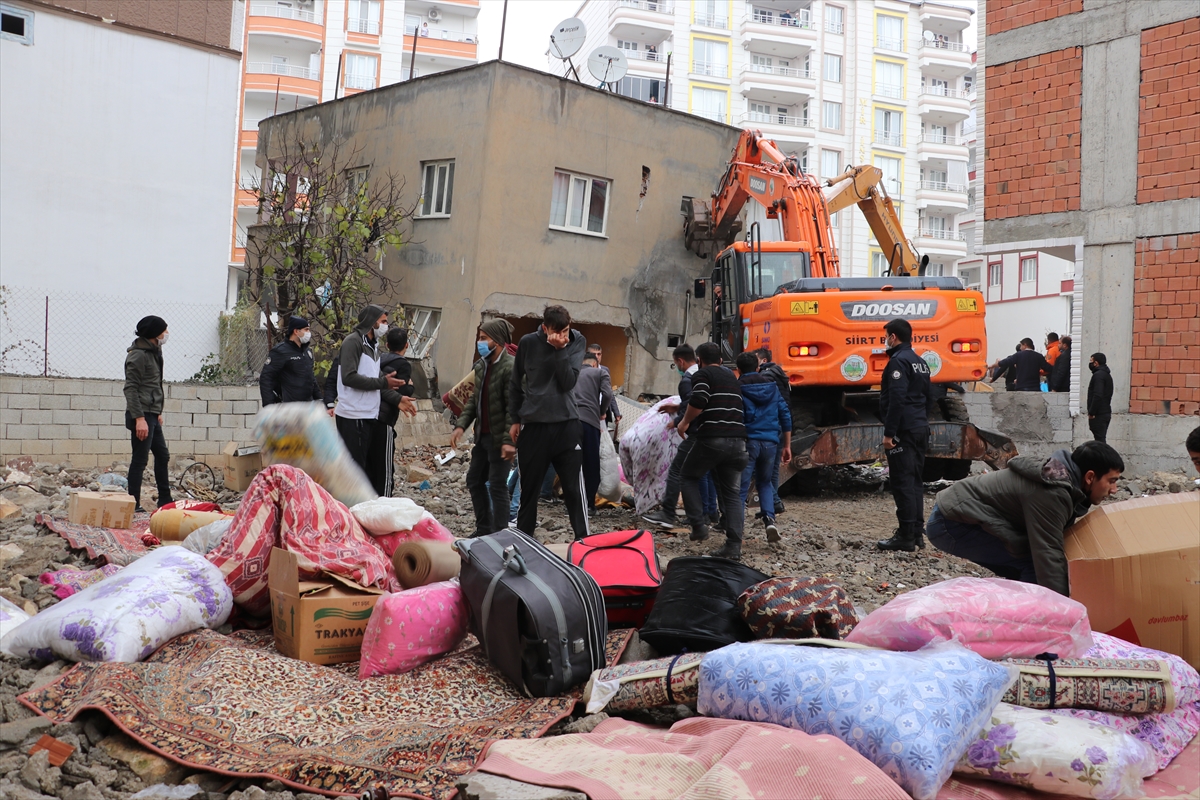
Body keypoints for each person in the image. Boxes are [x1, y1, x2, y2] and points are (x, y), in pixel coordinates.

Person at [926, 441, 1124, 596]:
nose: (1114, 490)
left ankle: (1017, 627)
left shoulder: (1065, 484)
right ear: (1090, 477)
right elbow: (1048, 554)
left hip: (960, 515)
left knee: (1027, 570)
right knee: (1032, 565)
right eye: (1111, 481)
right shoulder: (1054, 493)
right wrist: (1065, 611)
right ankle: (1041, 642)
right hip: (950, 523)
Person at [509, 305, 590, 540]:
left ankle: (584, 542)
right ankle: (523, 545)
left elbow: (568, 382)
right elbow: (515, 384)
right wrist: (515, 420)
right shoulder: (527, 343)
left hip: (567, 425)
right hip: (534, 427)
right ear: (545, 328)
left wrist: (560, 350)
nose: (563, 336)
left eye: (566, 330)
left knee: (574, 490)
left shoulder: (576, 341)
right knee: (529, 493)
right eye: (557, 332)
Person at [677, 342, 749, 560]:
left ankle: (699, 526)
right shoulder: (732, 378)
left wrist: (684, 422)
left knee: (687, 476)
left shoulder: (703, 374)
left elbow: (698, 400)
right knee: (732, 494)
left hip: (713, 439)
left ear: (699, 360)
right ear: (721, 359)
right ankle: (733, 547)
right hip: (738, 442)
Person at [642, 344, 719, 530]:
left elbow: (694, 403)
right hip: (718, 433)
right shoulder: (717, 376)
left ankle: (672, 513)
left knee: (679, 470)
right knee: (708, 474)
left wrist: (679, 422)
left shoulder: (688, 380)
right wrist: (677, 409)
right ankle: (711, 513)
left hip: (698, 432)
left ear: (680, 361)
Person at [452, 319, 517, 537]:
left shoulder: (510, 368)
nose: (479, 342)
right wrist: (461, 426)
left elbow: (513, 408)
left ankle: (500, 534)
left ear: (497, 341)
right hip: (483, 437)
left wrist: (509, 441)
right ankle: (484, 528)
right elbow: (473, 401)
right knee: (474, 480)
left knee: (498, 485)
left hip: (501, 438)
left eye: (483, 338)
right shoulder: (482, 366)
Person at [334, 305, 408, 496]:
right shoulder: (353, 342)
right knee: (354, 474)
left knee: (364, 472)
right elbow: (348, 377)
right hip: (352, 416)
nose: (385, 325)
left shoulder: (373, 347)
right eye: (383, 321)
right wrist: (384, 381)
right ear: (372, 322)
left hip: (368, 415)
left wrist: (397, 398)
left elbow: (377, 382)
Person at [876, 318, 935, 552]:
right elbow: (930, 397)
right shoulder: (920, 362)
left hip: (904, 431)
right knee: (915, 481)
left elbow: (897, 399)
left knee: (902, 482)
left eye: (886, 336)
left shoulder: (898, 362)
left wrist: (889, 433)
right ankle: (917, 533)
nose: (885, 341)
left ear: (893, 337)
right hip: (920, 427)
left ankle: (905, 536)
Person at [735, 352, 792, 543]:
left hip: (748, 442)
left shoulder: (738, 388)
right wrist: (787, 445)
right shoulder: (773, 387)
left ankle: (737, 530)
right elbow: (785, 415)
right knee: (765, 483)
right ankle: (769, 521)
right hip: (770, 442)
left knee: (741, 488)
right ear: (758, 367)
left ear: (739, 370)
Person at [124, 315, 174, 512]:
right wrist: (140, 419)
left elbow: (152, 385)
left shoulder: (154, 352)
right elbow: (131, 388)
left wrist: (157, 412)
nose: (167, 334)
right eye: (164, 330)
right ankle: (132, 504)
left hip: (151, 414)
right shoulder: (138, 355)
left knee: (162, 455)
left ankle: (165, 499)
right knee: (140, 459)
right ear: (155, 333)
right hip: (141, 416)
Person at [572, 353, 614, 514]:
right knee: (591, 464)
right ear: (595, 364)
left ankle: (572, 505)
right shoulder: (600, 372)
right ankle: (589, 504)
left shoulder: (572, 372)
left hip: (570, 423)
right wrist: (601, 411)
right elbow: (608, 394)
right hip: (590, 422)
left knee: (572, 464)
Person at [377, 328, 415, 497]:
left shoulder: (378, 359)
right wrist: (411, 386)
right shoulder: (403, 364)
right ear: (406, 345)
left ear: (387, 345)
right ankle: (384, 502)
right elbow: (403, 391)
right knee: (385, 469)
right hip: (385, 418)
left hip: (368, 415)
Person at [755, 348, 791, 515]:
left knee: (762, 471)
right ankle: (771, 505)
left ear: (762, 360)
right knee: (773, 470)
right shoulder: (780, 374)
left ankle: (774, 501)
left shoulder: (766, 377)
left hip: (769, 426)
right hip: (780, 426)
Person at [259, 316, 322, 406]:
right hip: (288, 407)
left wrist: (319, 398)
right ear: (296, 331)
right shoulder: (280, 351)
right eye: (306, 329)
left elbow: (311, 377)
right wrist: (269, 405)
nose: (309, 333)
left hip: (308, 406)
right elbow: (266, 378)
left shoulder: (307, 352)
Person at [988, 338, 1052, 392]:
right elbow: (1047, 368)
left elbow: (1005, 363)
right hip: (1035, 388)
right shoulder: (1039, 356)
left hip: (1022, 387)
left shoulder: (1018, 355)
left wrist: (992, 366)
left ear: (1025, 345)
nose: (1020, 348)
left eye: (1021, 345)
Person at [1087, 353, 1114, 443]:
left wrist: (1092, 412)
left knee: (1100, 442)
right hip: (1104, 412)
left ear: (1096, 363)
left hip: (1099, 414)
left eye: (1091, 361)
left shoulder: (1098, 375)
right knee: (1100, 440)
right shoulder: (1106, 374)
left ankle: (1104, 457)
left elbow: (1098, 395)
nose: (1090, 363)